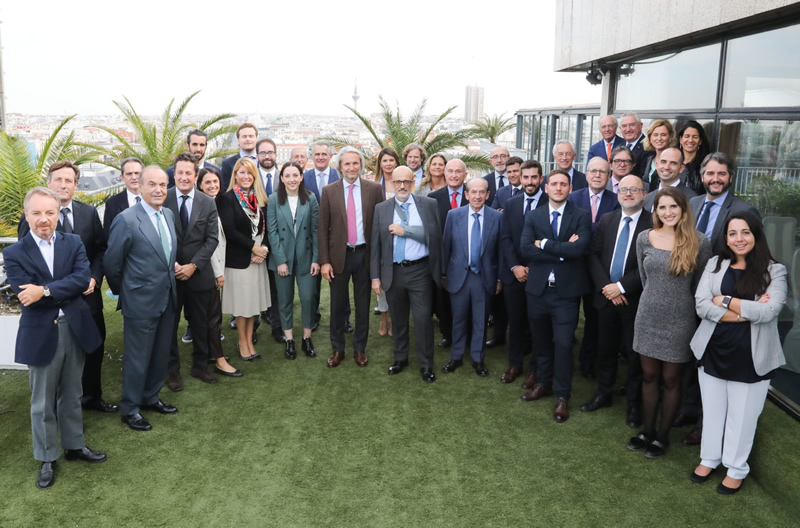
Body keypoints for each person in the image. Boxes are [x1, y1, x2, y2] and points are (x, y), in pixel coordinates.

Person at [5, 187, 106, 489]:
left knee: (72, 392)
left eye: (50, 212)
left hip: (74, 328)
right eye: (36, 213)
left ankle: (74, 447)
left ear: (58, 214)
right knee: (41, 401)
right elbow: (27, 295)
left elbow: (81, 278)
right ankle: (47, 457)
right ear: (26, 215)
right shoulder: (13, 253)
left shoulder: (73, 242)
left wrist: (46, 290)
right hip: (41, 333)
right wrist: (61, 288)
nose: (44, 219)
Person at [689, 212, 787, 495]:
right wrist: (746, 312)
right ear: (726, 238)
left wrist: (727, 301)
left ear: (756, 235)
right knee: (714, 410)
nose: (739, 239)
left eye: (745, 232)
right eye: (732, 233)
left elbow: (770, 311)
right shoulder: (715, 264)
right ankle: (709, 458)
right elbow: (702, 305)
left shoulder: (775, 270)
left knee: (742, 417)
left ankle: (736, 468)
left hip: (751, 357)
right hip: (714, 350)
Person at [18, 161, 114, 414]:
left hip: (88, 297)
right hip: (52, 305)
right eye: (58, 179)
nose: (63, 184)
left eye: (68, 180)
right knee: (56, 355)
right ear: (48, 183)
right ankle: (59, 407)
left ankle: (92, 397)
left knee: (94, 347)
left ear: (75, 185)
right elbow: (29, 260)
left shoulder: (89, 213)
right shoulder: (32, 217)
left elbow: (101, 249)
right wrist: (64, 286)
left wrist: (93, 277)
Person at [679, 152, 761, 445]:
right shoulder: (694, 204)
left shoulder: (744, 209)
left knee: (711, 361)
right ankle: (688, 409)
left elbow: (749, 255)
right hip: (688, 292)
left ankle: (705, 424)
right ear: (702, 176)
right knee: (693, 352)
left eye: (721, 174)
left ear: (730, 176)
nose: (715, 179)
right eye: (710, 174)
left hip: (720, 297)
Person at [628, 187, 711, 458]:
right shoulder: (644, 238)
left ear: (683, 210)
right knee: (649, 376)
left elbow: (700, 287)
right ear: (656, 211)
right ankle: (648, 430)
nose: (667, 212)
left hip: (680, 319)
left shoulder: (699, 241)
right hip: (648, 315)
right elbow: (644, 278)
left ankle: (662, 437)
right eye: (662, 207)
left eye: (673, 207)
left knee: (672, 379)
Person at [105, 166, 180, 432]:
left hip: (167, 297)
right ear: (141, 186)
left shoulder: (169, 214)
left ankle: (150, 397)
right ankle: (130, 409)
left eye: (163, 184)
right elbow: (112, 264)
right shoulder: (126, 219)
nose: (159, 189)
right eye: (153, 184)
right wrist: (129, 292)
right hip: (140, 301)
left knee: (160, 354)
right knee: (137, 358)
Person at [520, 169, 592, 423]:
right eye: (554, 184)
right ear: (546, 187)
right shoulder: (534, 215)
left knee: (563, 344)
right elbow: (526, 249)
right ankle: (543, 383)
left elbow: (580, 249)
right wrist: (563, 251)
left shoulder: (582, 216)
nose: (559, 188)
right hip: (538, 291)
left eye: (564, 184)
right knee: (540, 342)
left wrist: (546, 245)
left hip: (566, 294)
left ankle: (562, 395)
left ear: (570, 188)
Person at [581, 175, 652, 428]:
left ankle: (634, 405)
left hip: (635, 301)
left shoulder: (653, 224)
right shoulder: (607, 220)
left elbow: (648, 264)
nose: (628, 193)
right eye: (624, 189)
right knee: (605, 350)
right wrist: (608, 288)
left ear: (644, 194)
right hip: (605, 299)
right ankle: (604, 393)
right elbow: (593, 255)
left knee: (634, 357)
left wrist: (621, 287)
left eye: (634, 189)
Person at [370, 166, 442, 382]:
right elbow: (376, 246)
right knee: (399, 320)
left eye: (407, 182)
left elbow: (435, 237)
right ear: (391, 182)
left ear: (413, 182)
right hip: (393, 272)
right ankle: (400, 359)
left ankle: (426, 365)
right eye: (398, 181)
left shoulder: (429, 205)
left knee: (422, 320)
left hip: (420, 271)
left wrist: (406, 230)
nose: (402, 186)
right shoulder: (381, 208)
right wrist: (375, 277)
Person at [318, 146, 384, 368]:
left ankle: (359, 349)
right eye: (347, 163)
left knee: (362, 304)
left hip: (364, 255)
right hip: (339, 257)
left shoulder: (374, 189)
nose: (352, 167)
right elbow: (322, 228)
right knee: (337, 305)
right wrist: (325, 261)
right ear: (340, 167)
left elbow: (379, 226)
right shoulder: (329, 191)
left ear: (361, 165)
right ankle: (338, 349)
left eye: (355, 163)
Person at [164, 153, 221, 390]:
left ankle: (200, 365)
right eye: (180, 172)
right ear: (174, 174)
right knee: (169, 325)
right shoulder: (162, 198)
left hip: (199, 274)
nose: (184, 177)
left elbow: (212, 239)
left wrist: (194, 265)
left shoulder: (207, 202)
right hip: (170, 275)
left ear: (196, 176)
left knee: (200, 324)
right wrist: (176, 266)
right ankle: (172, 371)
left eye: (189, 173)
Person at [441, 177, 503, 377]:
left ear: (487, 194)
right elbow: (446, 247)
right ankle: (456, 356)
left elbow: (501, 251)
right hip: (458, 277)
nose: (477, 196)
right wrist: (444, 274)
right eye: (473, 192)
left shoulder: (497, 217)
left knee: (480, 320)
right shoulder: (453, 215)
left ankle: (478, 358)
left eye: (481, 192)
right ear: (466, 195)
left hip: (484, 277)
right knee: (458, 319)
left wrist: (499, 278)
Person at [567, 157, 620, 380]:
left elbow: (612, 230)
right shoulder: (573, 197)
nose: (597, 175)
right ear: (586, 175)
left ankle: (590, 363)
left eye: (602, 172)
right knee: (569, 317)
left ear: (608, 177)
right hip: (573, 266)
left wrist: (584, 228)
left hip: (600, 268)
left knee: (593, 318)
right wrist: (596, 227)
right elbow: (568, 226)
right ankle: (565, 359)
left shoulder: (616, 200)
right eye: (593, 171)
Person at [499, 160, 548, 387]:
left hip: (540, 275)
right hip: (514, 275)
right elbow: (505, 238)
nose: (529, 182)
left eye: (533, 177)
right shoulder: (510, 204)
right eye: (525, 177)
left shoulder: (551, 203)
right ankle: (515, 364)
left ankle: (535, 370)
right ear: (519, 177)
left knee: (538, 325)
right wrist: (515, 267)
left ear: (541, 178)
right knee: (516, 322)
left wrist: (533, 268)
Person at [217, 157, 271, 361]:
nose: (246, 176)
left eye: (249, 172)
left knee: (252, 304)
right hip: (240, 260)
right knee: (242, 306)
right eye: (242, 172)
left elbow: (265, 227)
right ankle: (242, 342)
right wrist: (253, 248)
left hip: (258, 259)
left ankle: (249, 340)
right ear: (235, 176)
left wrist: (263, 247)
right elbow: (229, 230)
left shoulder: (259, 198)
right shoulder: (228, 198)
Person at [266, 162, 320, 360]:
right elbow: (272, 232)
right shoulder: (273, 200)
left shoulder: (311, 198)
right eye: (287, 175)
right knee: (285, 300)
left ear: (301, 176)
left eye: (295, 175)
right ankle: (289, 339)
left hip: (306, 258)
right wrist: (280, 260)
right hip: (283, 259)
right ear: (281, 178)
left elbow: (316, 230)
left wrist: (316, 259)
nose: (291, 179)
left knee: (308, 298)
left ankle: (307, 337)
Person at [196, 167, 241, 377]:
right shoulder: (202, 207)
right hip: (207, 271)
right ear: (200, 185)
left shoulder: (215, 203)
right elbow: (209, 243)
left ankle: (211, 354)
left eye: (215, 181)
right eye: (208, 183)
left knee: (210, 316)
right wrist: (218, 273)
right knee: (212, 318)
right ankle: (218, 359)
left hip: (213, 269)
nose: (213, 185)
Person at [428, 159, 470, 348]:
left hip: (468, 257)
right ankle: (448, 334)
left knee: (466, 298)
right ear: (444, 173)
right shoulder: (433, 197)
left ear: (465, 175)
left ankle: (466, 335)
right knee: (443, 299)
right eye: (450, 171)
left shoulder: (473, 194)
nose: (454, 175)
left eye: (458, 171)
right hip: (443, 257)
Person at [256, 138, 284, 344]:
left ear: (276, 155)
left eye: (270, 152)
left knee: (276, 287)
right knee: (254, 285)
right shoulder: (249, 176)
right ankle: (252, 328)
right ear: (257, 156)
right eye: (263, 153)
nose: (267, 156)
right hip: (255, 243)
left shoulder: (284, 177)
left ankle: (277, 326)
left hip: (278, 241)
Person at [373, 147, 402, 336]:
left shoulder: (404, 183)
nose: (388, 164)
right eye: (385, 161)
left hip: (401, 237)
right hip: (381, 238)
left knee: (397, 282)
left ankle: (395, 318)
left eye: (392, 160)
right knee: (382, 281)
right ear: (380, 164)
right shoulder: (374, 184)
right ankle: (384, 318)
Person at [643, 147, 698, 212]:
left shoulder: (691, 199)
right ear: (657, 165)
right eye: (663, 162)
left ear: (681, 168)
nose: (666, 167)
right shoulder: (648, 198)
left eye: (673, 163)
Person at [103, 157, 143, 239]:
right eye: (129, 174)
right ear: (122, 177)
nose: (134, 177)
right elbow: (108, 237)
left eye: (137, 173)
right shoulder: (112, 204)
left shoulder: (155, 199)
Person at [220, 123, 258, 191]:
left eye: (251, 136)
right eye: (244, 136)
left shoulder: (264, 161)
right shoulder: (228, 164)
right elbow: (225, 190)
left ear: (256, 139)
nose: (248, 139)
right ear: (238, 140)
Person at [677, 120, 710, 195]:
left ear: (700, 141)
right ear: (680, 139)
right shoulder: (673, 162)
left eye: (695, 137)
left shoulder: (706, 165)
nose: (690, 140)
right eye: (687, 136)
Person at [641, 119, 676, 187]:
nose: (659, 138)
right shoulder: (649, 159)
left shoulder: (674, 159)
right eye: (655, 135)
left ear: (670, 137)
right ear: (650, 137)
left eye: (663, 135)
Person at [619, 113, 647, 178]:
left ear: (641, 126)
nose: (628, 129)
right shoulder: (619, 147)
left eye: (632, 125)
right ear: (620, 128)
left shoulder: (647, 147)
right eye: (624, 126)